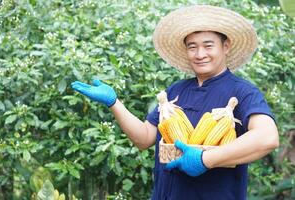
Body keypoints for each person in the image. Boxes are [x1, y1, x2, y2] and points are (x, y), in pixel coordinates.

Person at [71, 5, 279, 200]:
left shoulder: (242, 92)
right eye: (192, 47)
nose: (200, 54)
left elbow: (267, 137)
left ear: (226, 46)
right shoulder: (176, 90)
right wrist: (114, 102)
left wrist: (205, 159)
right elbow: (144, 138)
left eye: (208, 46)